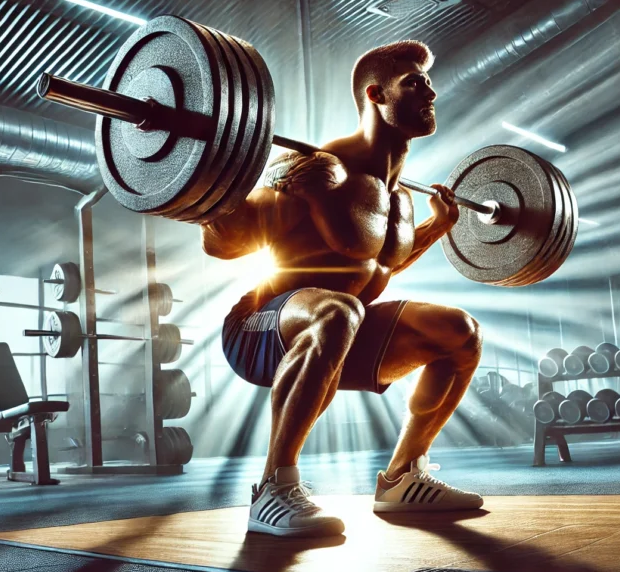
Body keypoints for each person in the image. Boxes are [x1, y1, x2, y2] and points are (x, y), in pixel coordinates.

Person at [201, 40, 484, 538]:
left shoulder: (401, 200)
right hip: (260, 330)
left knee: (460, 333)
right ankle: (274, 486)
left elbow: (377, 266)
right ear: (376, 94)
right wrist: (211, 177)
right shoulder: (321, 169)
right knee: (339, 310)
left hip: (338, 329)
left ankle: (402, 478)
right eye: (415, 82)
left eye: (428, 82)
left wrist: (438, 228)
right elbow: (226, 242)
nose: (431, 91)